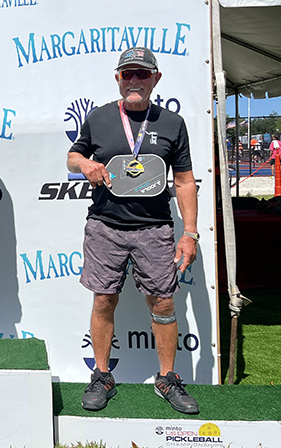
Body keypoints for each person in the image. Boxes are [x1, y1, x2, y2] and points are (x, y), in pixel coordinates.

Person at [67, 47, 199, 414]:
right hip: (105, 226)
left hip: (155, 229)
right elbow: (72, 156)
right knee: (104, 299)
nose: (135, 80)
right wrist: (85, 164)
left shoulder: (173, 123)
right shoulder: (99, 118)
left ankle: (168, 378)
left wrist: (190, 233)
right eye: (128, 74)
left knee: (163, 302)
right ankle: (102, 375)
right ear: (118, 78)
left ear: (156, 78)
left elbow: (185, 182)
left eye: (143, 74)